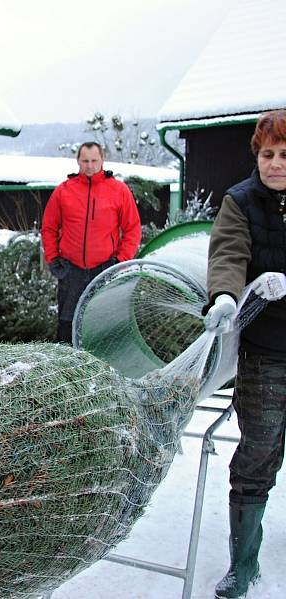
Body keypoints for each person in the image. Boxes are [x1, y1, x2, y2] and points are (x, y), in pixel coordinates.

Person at [203, 109, 286, 599]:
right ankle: (243, 564)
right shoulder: (240, 201)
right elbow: (229, 254)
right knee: (257, 453)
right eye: (268, 154)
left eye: (284, 155)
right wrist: (227, 296)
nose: (276, 163)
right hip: (265, 351)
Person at [41, 142, 142, 343]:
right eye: (85, 161)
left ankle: (103, 367)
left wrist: (120, 260)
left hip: (105, 269)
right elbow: (49, 228)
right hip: (71, 270)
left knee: (103, 322)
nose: (89, 166)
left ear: (102, 160)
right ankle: (65, 366)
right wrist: (53, 259)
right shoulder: (64, 191)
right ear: (77, 161)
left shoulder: (118, 190)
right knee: (67, 324)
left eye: (94, 160)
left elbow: (133, 229)